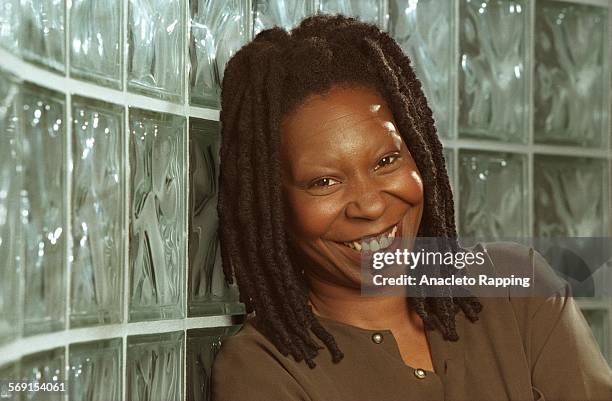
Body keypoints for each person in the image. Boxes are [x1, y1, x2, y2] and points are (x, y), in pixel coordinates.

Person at [212, 14, 612, 401]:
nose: (369, 205)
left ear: (421, 154)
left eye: (386, 161)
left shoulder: (514, 286)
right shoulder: (263, 370)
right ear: (273, 205)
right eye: (324, 182)